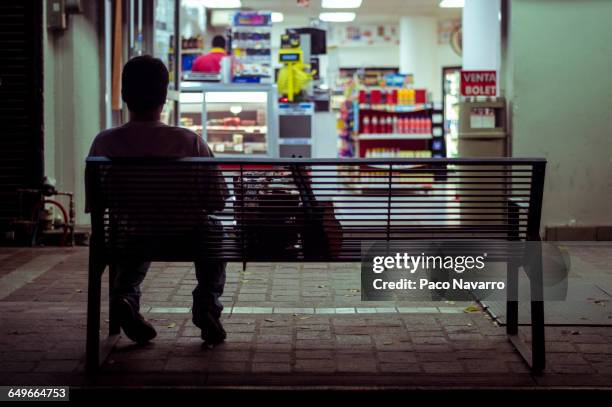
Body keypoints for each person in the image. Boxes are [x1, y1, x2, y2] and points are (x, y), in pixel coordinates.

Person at [86, 55, 229, 345]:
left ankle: (125, 295)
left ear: (125, 96)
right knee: (214, 229)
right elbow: (217, 201)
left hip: (132, 235)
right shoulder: (188, 141)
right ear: (165, 97)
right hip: (186, 236)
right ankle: (206, 304)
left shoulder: (104, 142)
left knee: (132, 232)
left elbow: (96, 203)